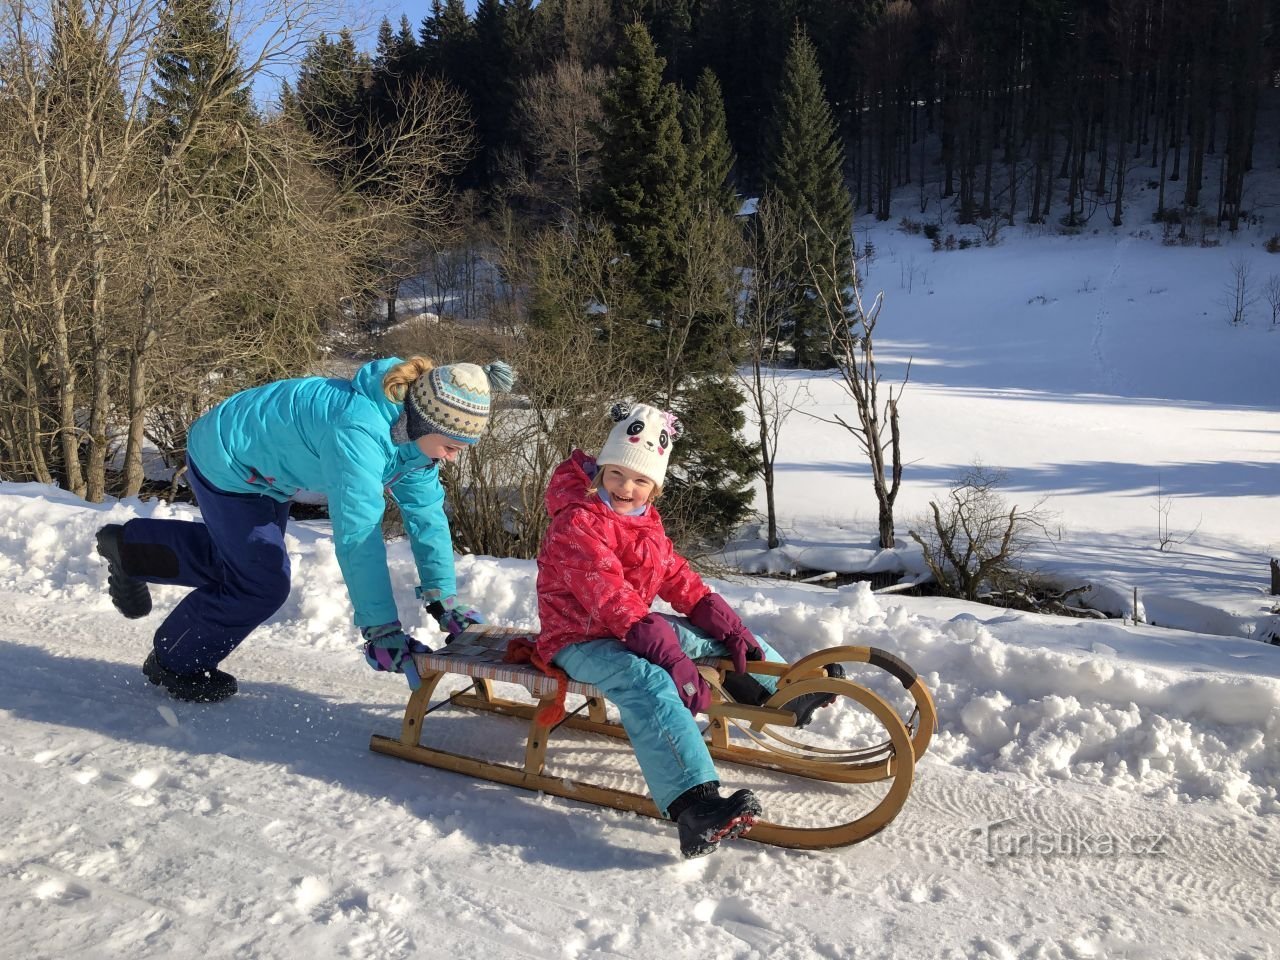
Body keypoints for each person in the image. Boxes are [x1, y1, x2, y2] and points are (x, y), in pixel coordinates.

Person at [95, 356, 514, 703]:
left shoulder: (416, 444)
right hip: (230, 459)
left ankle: (132, 549)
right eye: (453, 448)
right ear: (424, 425)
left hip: (271, 468)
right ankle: (173, 661)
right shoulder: (359, 431)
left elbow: (427, 517)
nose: (454, 459)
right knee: (260, 584)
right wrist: (380, 629)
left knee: (244, 562)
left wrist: (443, 596)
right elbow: (358, 536)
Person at [535, 402, 840, 859]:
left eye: (640, 481)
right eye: (617, 474)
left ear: (654, 489)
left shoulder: (645, 522)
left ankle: (784, 691)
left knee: (714, 641)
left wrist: (721, 619)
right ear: (601, 471)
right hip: (578, 638)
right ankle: (695, 807)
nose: (626, 488)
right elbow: (610, 598)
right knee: (649, 681)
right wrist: (671, 658)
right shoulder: (577, 521)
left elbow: (675, 576)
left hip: (629, 628)